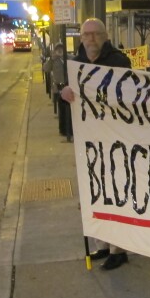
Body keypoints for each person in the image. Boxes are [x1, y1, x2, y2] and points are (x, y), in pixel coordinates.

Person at [61, 18, 133, 271]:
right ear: (81, 37)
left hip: (113, 137)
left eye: (96, 34)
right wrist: (65, 92)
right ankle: (102, 243)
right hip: (87, 138)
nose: (91, 38)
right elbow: (67, 91)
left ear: (105, 36)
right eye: (86, 34)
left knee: (115, 190)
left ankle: (118, 249)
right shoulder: (76, 64)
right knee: (93, 190)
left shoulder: (119, 61)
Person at [42, 43, 72, 141]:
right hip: (58, 87)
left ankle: (69, 130)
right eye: (58, 50)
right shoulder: (54, 60)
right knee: (62, 109)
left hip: (69, 87)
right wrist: (51, 59)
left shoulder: (69, 58)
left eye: (61, 49)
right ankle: (63, 130)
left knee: (70, 110)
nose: (59, 51)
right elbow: (45, 68)